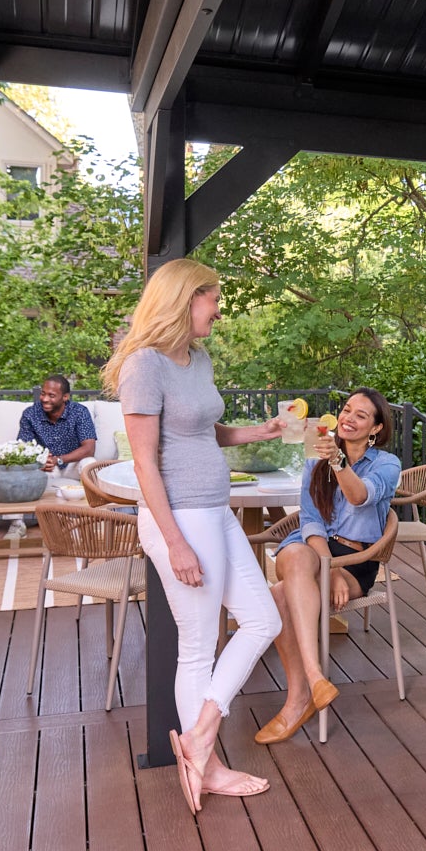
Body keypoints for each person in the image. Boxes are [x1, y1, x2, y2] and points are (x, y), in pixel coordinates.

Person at [105, 258, 286, 813]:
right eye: (212, 298)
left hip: (217, 510)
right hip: (180, 518)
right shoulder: (144, 365)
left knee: (262, 619)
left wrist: (259, 431)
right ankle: (207, 767)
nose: (218, 308)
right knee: (199, 644)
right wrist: (176, 542)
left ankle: (201, 735)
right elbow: (144, 464)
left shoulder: (197, 358)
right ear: (185, 299)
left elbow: (203, 431)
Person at [255, 389, 402, 745]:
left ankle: (299, 699)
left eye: (361, 415)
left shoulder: (386, 464)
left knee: (278, 597)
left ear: (376, 428)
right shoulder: (315, 456)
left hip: (355, 560)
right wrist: (327, 566)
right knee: (292, 555)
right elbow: (310, 520)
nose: (349, 418)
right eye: (347, 410)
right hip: (314, 549)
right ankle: (315, 678)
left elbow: (359, 496)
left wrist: (338, 463)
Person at [18, 375, 97, 476]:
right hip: (46, 467)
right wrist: (40, 461)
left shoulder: (79, 412)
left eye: (51, 395)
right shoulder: (30, 414)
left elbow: (89, 449)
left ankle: (91, 492)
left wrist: (59, 459)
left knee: (89, 463)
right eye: (43, 394)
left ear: (65, 397)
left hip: (73, 464)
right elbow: (22, 447)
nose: (45, 399)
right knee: (30, 472)